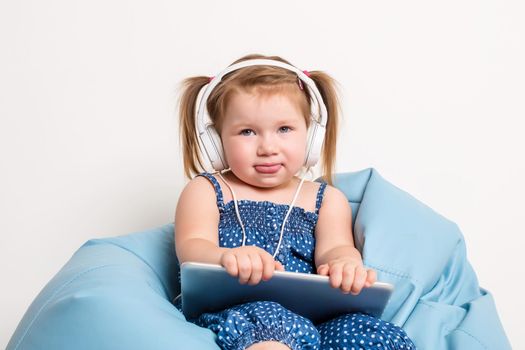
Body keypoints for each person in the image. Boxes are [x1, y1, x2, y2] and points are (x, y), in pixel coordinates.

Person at [175, 54, 415, 350]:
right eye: (247, 132)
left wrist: (344, 264)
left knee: (373, 335)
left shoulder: (325, 199)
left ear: (311, 137)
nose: (267, 147)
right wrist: (226, 257)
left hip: (316, 318)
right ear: (217, 141)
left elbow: (335, 248)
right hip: (242, 313)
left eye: (284, 129)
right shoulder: (208, 189)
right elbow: (192, 247)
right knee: (274, 325)